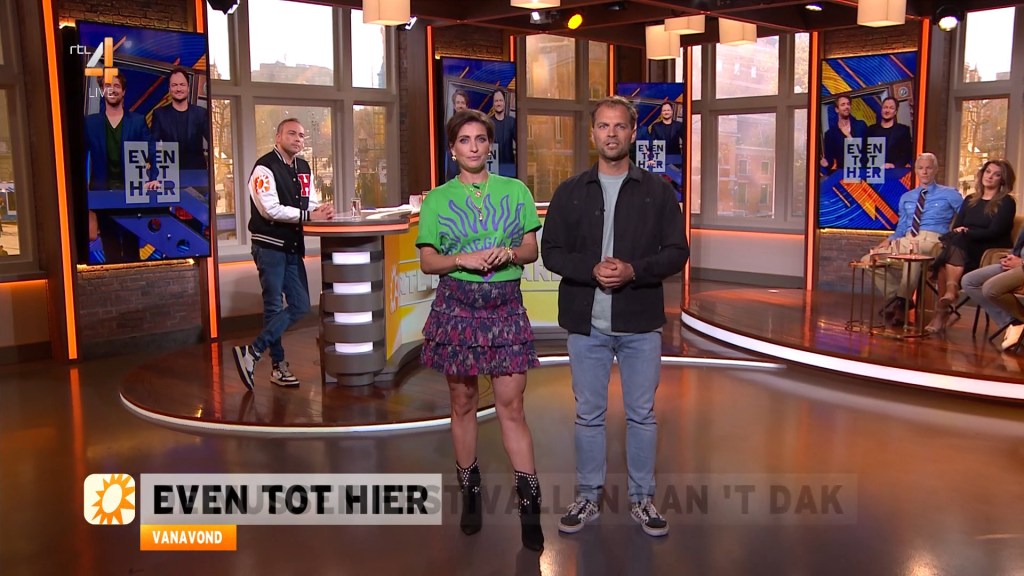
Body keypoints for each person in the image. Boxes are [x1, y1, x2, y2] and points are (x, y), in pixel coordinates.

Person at [541, 96, 689, 537]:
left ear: (633, 132)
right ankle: (588, 497)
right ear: (593, 134)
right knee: (588, 414)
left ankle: (643, 500)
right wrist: (591, 269)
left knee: (642, 414)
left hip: (640, 323)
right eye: (603, 126)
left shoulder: (657, 191)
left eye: (619, 126)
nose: (611, 133)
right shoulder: (570, 191)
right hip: (586, 324)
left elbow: (677, 252)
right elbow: (551, 252)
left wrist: (633, 271)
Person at [417, 109, 544, 551]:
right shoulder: (437, 199)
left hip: (505, 307)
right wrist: (462, 259)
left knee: (513, 406)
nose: (473, 146)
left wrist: (508, 253)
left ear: (490, 145)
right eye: (464, 140)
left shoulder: (516, 190)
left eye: (480, 139)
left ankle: (530, 509)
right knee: (463, 401)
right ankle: (470, 497)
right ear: (452, 149)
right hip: (457, 307)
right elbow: (428, 261)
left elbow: (531, 249)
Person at [232, 118, 334, 391]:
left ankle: (253, 351)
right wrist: (308, 216)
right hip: (269, 246)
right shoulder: (264, 168)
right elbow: (270, 210)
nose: (298, 139)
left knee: (301, 305)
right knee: (274, 307)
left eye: (301, 135)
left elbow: (309, 202)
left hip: (292, 245)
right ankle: (278, 366)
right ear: (278, 137)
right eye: (292, 134)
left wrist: (320, 211)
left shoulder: (303, 167)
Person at [861, 152, 962, 326]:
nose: (925, 172)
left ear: (936, 170)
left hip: (934, 242)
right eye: (921, 168)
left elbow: (966, 216)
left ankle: (902, 304)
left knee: (914, 253)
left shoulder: (950, 194)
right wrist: (889, 240)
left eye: (929, 168)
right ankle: (899, 298)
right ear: (916, 170)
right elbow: (902, 227)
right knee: (868, 260)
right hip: (907, 239)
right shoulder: (906, 197)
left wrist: (959, 232)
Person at [926, 160, 1016, 334]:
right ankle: (949, 295)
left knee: (949, 253)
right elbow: (957, 226)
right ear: (982, 173)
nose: (990, 176)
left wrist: (967, 232)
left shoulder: (1006, 202)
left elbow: (995, 232)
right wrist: (961, 232)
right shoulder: (970, 200)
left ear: (1003, 180)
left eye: (996, 174)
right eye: (988, 171)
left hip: (989, 249)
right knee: (952, 250)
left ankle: (943, 309)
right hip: (964, 246)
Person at [84, 73, 154, 191]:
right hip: (100, 193)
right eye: (108, 86)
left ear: (123, 92)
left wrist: (153, 177)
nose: (112, 89)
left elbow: (152, 151)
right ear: (102, 90)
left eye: (116, 86)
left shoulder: (137, 121)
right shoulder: (90, 123)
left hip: (131, 191)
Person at [962, 224, 1024, 350]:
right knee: (969, 281)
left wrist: (1021, 263)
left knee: (990, 289)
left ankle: (1018, 326)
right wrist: (1012, 256)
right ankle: (1013, 323)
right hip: (1019, 261)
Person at [150, 67, 210, 182]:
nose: (178, 89)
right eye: (174, 85)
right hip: (170, 177)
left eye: (182, 85)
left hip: (197, 176)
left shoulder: (200, 113)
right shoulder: (159, 114)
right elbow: (153, 146)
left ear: (188, 88)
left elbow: (212, 144)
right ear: (169, 89)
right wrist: (153, 177)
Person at [820, 95, 868, 174]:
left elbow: (866, 151)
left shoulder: (861, 125)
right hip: (843, 175)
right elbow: (830, 161)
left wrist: (849, 136)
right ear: (837, 109)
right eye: (843, 105)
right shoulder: (830, 134)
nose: (846, 107)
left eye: (848, 104)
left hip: (862, 172)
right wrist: (826, 164)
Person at [865, 97, 913, 170]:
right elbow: (865, 152)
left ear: (895, 112)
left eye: (891, 108)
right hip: (874, 171)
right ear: (881, 109)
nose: (887, 110)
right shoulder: (871, 129)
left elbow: (907, 154)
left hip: (894, 172)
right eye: (885, 107)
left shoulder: (903, 130)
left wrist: (894, 165)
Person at [444, 90, 471, 181]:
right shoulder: (449, 126)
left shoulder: (472, 125)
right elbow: (447, 147)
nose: (460, 105)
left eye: (462, 103)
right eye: (458, 103)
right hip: (453, 168)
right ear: (454, 106)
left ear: (466, 106)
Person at [490, 88, 516, 177]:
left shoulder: (512, 122)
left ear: (504, 102)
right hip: (493, 170)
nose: (498, 103)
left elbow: (520, 144)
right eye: (496, 101)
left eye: (500, 100)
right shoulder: (488, 123)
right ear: (493, 104)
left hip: (509, 169)